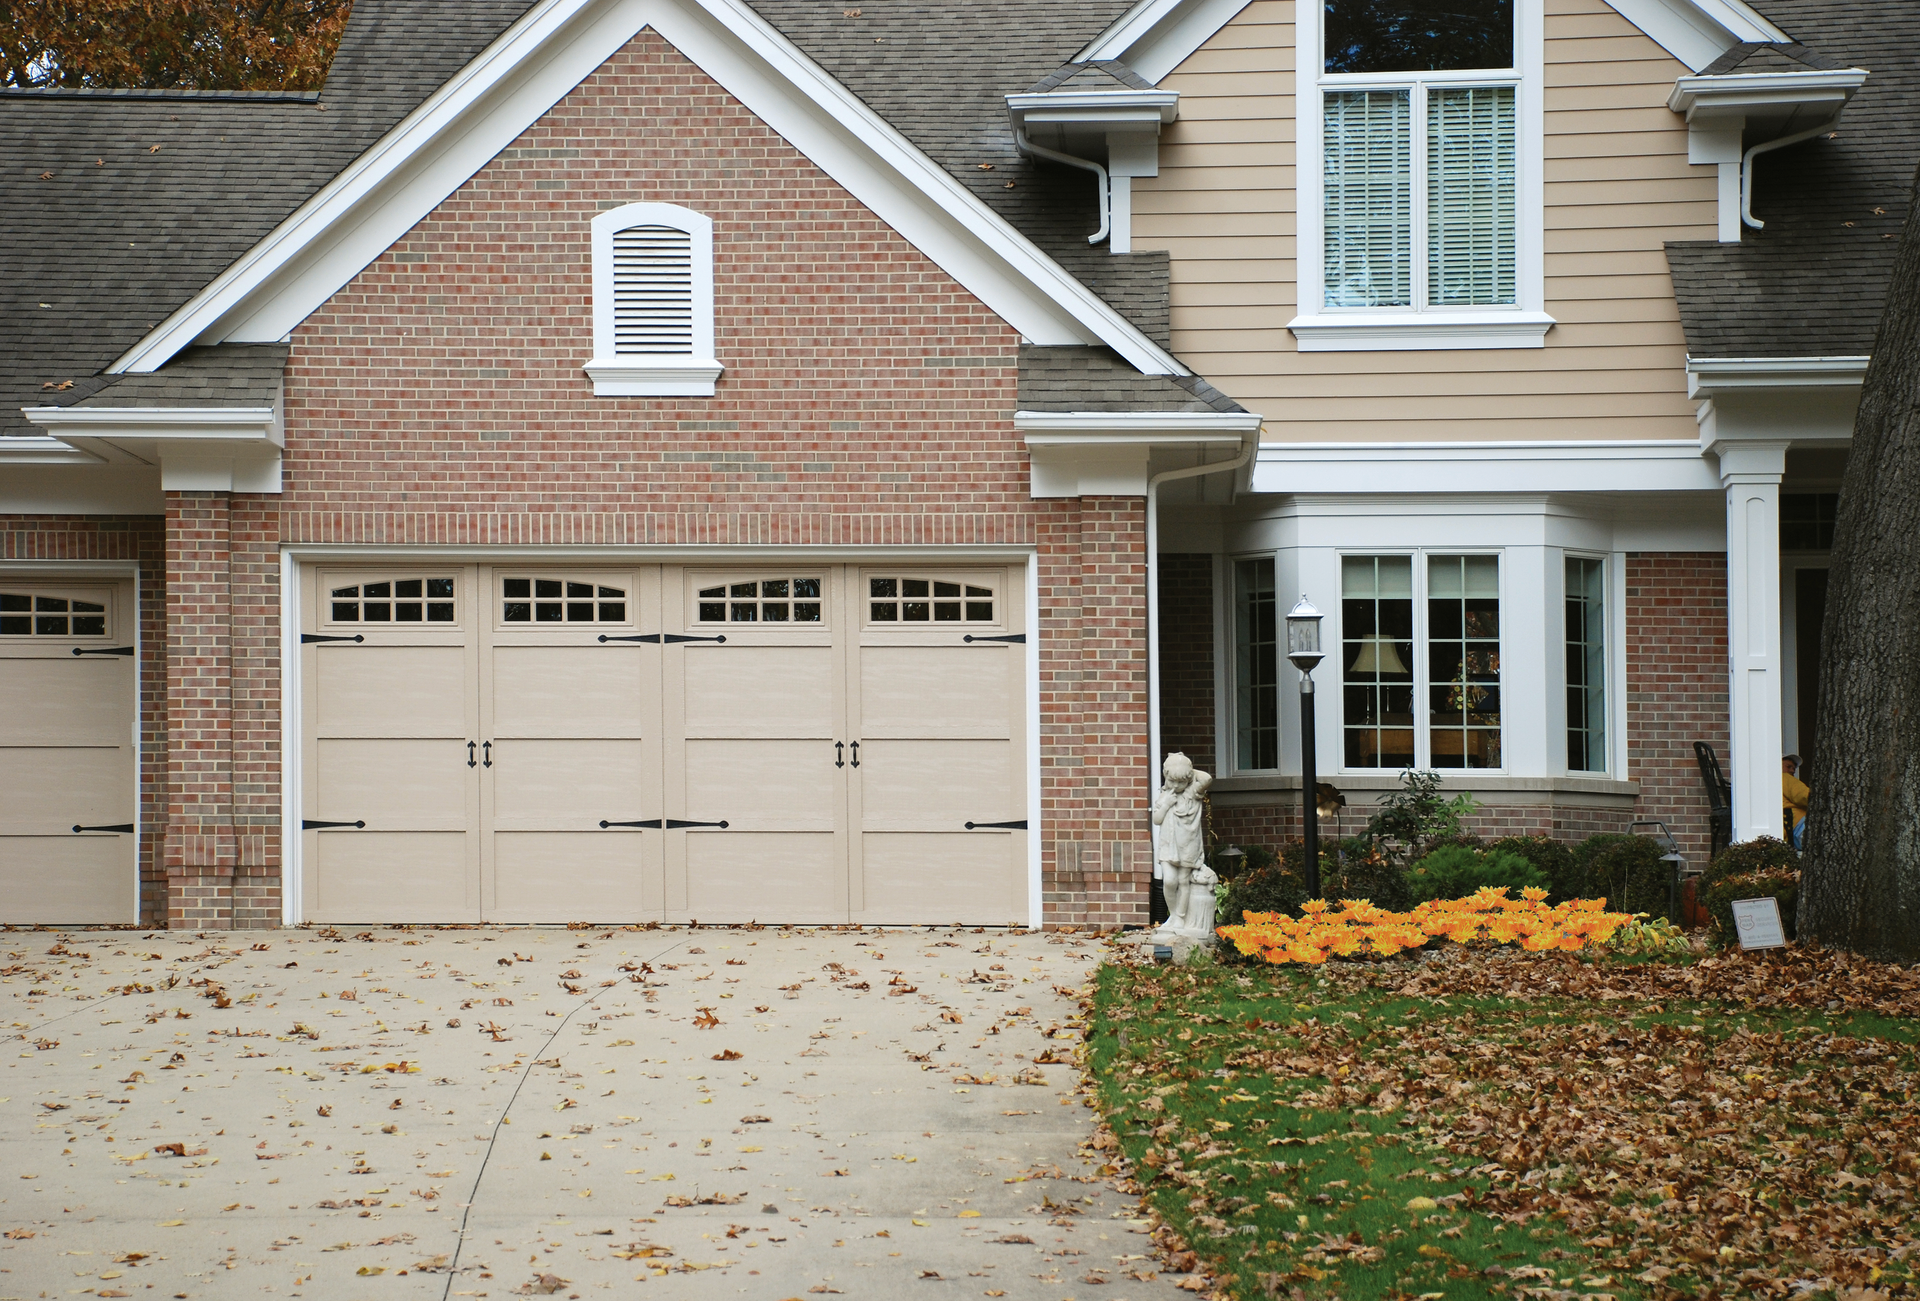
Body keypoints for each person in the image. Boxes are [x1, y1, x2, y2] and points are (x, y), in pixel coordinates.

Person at [1782, 754, 1810, 850]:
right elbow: (1804, 796)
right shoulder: (1784, 777)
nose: (1792, 771)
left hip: (1790, 836)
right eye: (1788, 766)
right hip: (1800, 826)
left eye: (1794, 769)